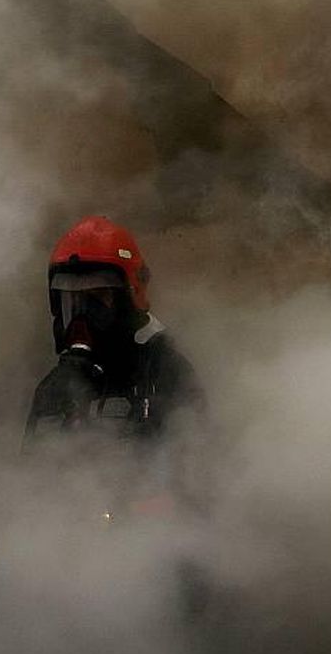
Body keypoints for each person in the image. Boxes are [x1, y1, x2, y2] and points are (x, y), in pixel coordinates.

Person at [23, 215, 205, 522]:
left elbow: (197, 481)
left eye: (97, 299)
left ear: (130, 296)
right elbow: (26, 483)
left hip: (153, 548)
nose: (82, 319)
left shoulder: (164, 372)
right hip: (69, 552)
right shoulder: (55, 387)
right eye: (72, 303)